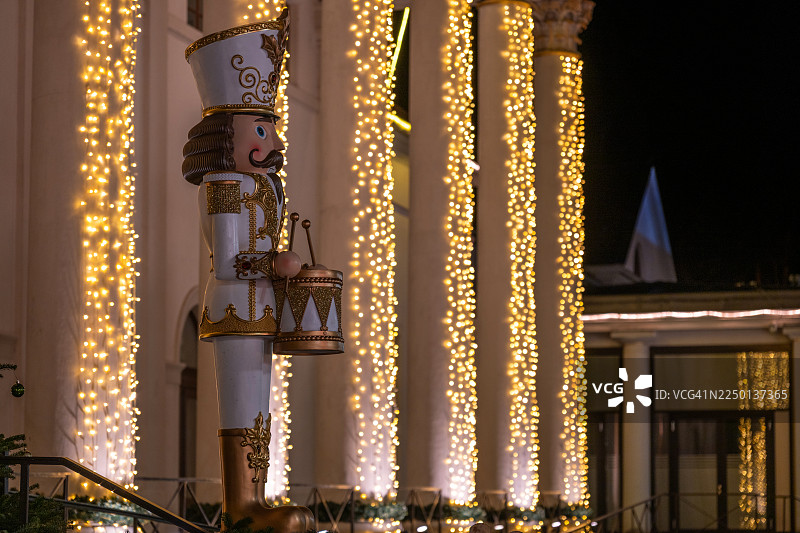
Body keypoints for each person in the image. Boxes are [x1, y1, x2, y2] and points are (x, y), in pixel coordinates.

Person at [183, 11, 312, 532]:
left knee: (260, 403)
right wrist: (275, 263)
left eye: (272, 130)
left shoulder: (265, 186)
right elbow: (229, 258)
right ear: (225, 134)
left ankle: (255, 498)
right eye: (261, 130)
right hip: (234, 305)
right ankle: (240, 506)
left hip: (262, 309)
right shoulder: (222, 185)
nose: (274, 143)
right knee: (241, 401)